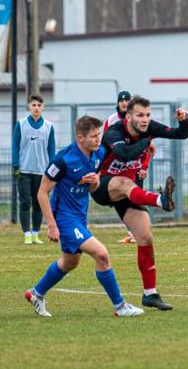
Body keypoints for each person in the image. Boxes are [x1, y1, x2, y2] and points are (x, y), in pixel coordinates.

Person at [24, 115, 144, 318]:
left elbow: (94, 186)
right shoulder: (63, 159)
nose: (99, 139)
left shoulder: (98, 154)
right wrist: (51, 224)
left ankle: (36, 293)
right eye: (94, 136)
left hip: (80, 217)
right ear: (80, 138)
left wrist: (95, 181)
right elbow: (42, 192)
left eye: (99, 135)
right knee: (102, 254)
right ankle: (120, 306)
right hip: (64, 218)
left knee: (70, 262)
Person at [93, 95, 188, 311]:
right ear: (128, 116)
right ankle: (160, 200)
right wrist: (148, 141)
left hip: (130, 193)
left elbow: (181, 135)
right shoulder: (114, 132)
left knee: (145, 236)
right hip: (103, 186)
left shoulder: (149, 127)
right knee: (125, 182)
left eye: (147, 115)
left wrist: (184, 121)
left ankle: (150, 294)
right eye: (140, 115)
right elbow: (124, 153)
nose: (145, 120)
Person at [12, 93, 56, 245]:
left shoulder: (48, 127)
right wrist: (15, 165)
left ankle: (36, 234)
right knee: (25, 202)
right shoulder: (21, 124)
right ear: (29, 107)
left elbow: (51, 149)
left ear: (43, 107)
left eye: (39, 105)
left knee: (39, 203)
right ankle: (27, 234)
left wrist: (52, 168)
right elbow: (15, 145)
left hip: (41, 172)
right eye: (33, 105)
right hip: (24, 170)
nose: (36, 108)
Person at [107, 91, 138, 244]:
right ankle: (131, 231)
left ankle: (135, 231)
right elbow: (105, 143)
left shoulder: (136, 119)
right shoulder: (111, 120)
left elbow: (146, 143)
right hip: (117, 168)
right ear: (118, 103)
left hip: (134, 166)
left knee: (135, 198)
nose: (124, 103)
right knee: (121, 199)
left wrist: (144, 166)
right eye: (122, 100)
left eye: (127, 100)